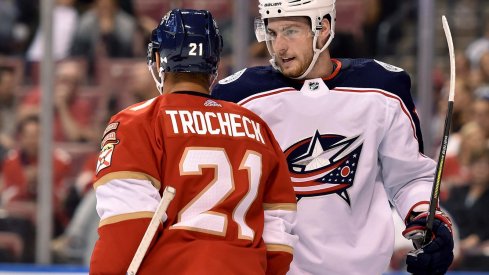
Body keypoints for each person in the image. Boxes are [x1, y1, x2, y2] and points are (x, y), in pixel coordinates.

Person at [212, 0, 455, 274]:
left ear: (323, 28)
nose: (278, 46)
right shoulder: (239, 97)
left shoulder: (381, 88)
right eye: (272, 32)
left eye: (290, 31)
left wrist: (428, 219)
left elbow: (409, 177)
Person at [89, 9, 297, 275]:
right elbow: (279, 237)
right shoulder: (255, 126)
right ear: (214, 63)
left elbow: (127, 227)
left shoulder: (137, 121)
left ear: (157, 59)